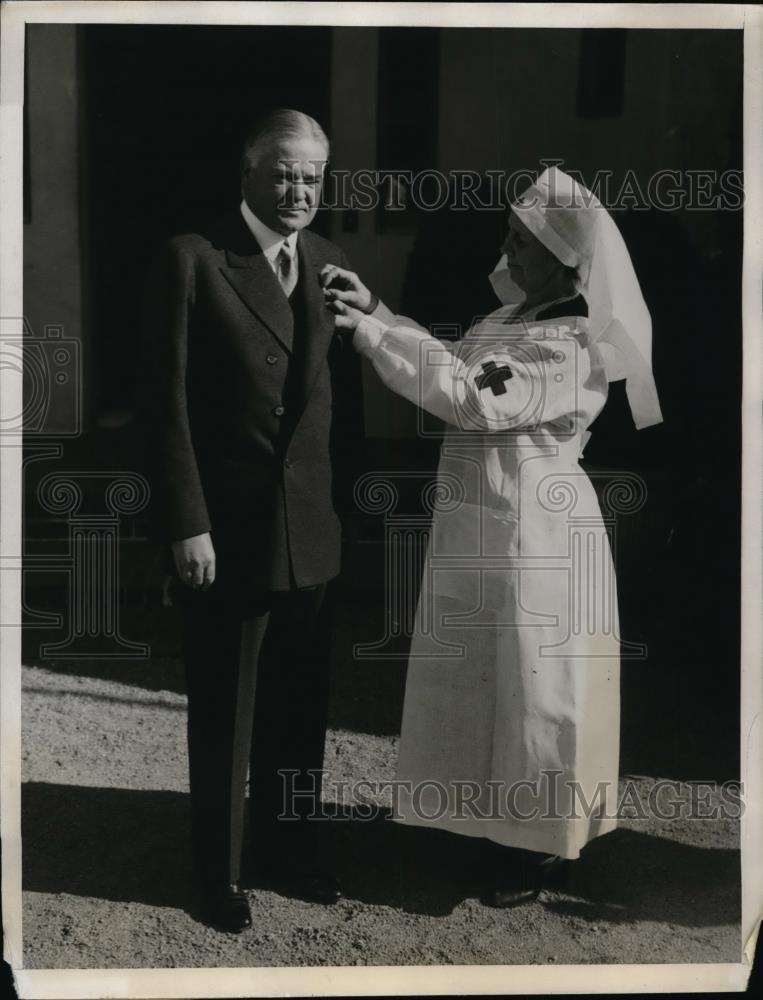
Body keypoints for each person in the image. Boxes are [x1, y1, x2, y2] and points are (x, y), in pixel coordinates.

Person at [322, 166, 663, 907]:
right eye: (508, 234)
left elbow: (472, 399)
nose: (506, 250)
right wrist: (378, 310)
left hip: (539, 531)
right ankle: (479, 820)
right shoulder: (503, 321)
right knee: (480, 674)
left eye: (521, 240)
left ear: (565, 259)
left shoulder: (571, 341)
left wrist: (372, 334)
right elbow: (452, 363)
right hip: (481, 520)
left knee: (536, 687)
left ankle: (536, 847)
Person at [141, 109, 367, 932]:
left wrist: (345, 514)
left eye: (312, 176)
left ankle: (290, 852)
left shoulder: (331, 262)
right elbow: (163, 404)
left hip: (310, 529)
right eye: (283, 173)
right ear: (247, 173)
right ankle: (219, 872)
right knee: (225, 711)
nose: (299, 190)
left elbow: (345, 407)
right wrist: (185, 522)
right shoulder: (194, 258)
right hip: (227, 532)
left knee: (299, 708)